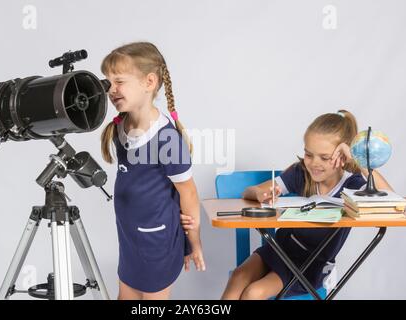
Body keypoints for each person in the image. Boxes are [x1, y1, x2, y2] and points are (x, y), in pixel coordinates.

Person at [220, 110, 393, 300]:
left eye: (324, 158)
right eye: (309, 154)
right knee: (238, 277)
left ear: (342, 157)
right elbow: (249, 191)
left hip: (310, 266)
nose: (314, 163)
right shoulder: (300, 173)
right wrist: (260, 193)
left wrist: (357, 160)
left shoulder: (353, 185)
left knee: (254, 293)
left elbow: (392, 202)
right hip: (278, 249)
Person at [100, 42, 205, 300]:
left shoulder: (166, 138)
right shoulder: (120, 128)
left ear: (149, 82)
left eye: (119, 81)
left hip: (157, 242)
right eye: (108, 82)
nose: (111, 90)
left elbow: (188, 193)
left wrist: (194, 242)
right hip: (129, 238)